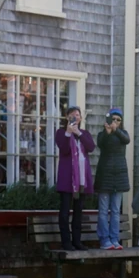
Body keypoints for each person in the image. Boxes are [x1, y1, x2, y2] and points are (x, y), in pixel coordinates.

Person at [54, 106, 95, 250]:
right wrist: (68, 133)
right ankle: (66, 242)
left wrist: (78, 133)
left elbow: (91, 147)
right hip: (67, 179)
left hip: (82, 180)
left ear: (81, 118)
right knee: (65, 211)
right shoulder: (61, 133)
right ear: (67, 117)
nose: (75, 117)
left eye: (77, 115)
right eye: (72, 115)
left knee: (79, 212)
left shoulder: (85, 133)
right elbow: (64, 149)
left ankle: (77, 241)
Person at [95, 108, 130, 250]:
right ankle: (104, 239)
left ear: (121, 122)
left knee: (116, 210)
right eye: (112, 119)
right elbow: (100, 144)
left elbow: (126, 140)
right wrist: (107, 133)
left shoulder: (123, 134)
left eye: (118, 120)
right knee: (103, 210)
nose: (115, 122)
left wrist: (116, 130)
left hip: (119, 177)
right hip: (105, 177)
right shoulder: (102, 134)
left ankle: (115, 239)